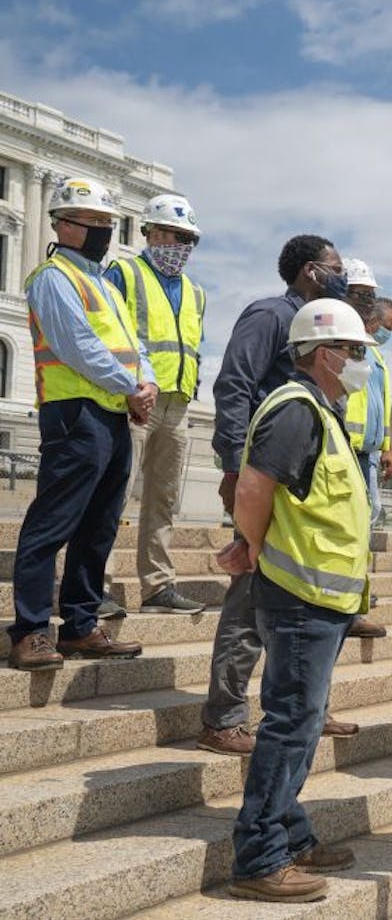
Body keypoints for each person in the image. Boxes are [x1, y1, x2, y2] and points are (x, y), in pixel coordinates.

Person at [222, 298, 375, 903]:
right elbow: (254, 486)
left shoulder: (321, 410)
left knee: (304, 724)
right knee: (289, 725)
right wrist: (251, 546)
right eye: (355, 351)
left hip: (322, 598)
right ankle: (259, 858)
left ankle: (288, 831)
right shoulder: (295, 409)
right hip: (298, 597)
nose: (361, 363)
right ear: (322, 353)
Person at [200, 234, 358, 756]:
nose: (344, 274)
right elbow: (235, 384)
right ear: (311, 271)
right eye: (336, 266)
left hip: (305, 489)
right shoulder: (270, 316)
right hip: (264, 477)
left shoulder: (325, 331)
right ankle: (223, 716)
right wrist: (232, 464)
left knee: (302, 599)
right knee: (248, 600)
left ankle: (310, 705)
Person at [6, 177, 153, 671]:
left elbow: (134, 346)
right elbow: (77, 347)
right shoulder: (52, 278)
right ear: (63, 225)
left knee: (99, 526)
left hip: (111, 413)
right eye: (93, 223)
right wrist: (131, 386)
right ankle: (29, 630)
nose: (103, 232)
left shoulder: (104, 283)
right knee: (53, 524)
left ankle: (80, 625)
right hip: (74, 414)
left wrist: (145, 382)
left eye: (107, 224)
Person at [105, 193, 208, 615]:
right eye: (173, 235)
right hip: (134, 400)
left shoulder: (196, 292)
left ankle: (158, 587)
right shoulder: (123, 273)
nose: (180, 246)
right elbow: (106, 332)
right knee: (112, 494)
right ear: (149, 232)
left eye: (188, 239)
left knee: (164, 499)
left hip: (177, 403)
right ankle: (97, 584)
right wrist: (129, 387)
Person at [340, 272, 392, 641]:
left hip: (371, 452)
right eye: (386, 327)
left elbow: (384, 404)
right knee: (352, 523)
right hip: (349, 444)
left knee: (367, 521)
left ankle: (355, 592)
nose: (386, 334)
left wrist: (389, 445)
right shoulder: (351, 345)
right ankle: (348, 597)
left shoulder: (376, 356)